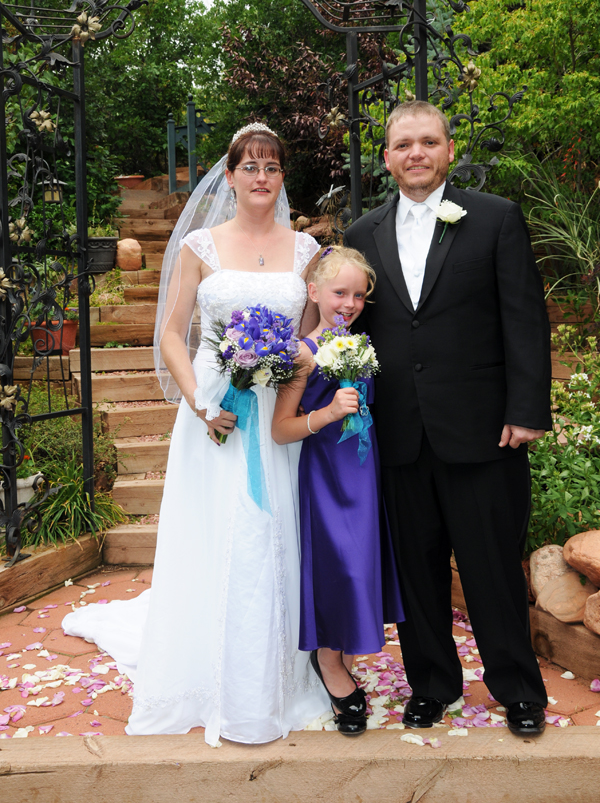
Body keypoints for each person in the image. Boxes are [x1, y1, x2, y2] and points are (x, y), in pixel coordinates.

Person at [63, 123, 330, 746]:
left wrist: (294, 358)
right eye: (250, 166)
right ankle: (211, 675)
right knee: (224, 528)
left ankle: (272, 676)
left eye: (272, 166)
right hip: (216, 411)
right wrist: (201, 400)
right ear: (230, 176)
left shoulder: (304, 253)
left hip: (276, 412)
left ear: (281, 177)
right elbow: (171, 331)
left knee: (271, 533)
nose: (261, 177)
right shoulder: (200, 246)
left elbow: (318, 330)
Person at [344, 100, 552, 737]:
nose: (416, 153)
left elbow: (525, 318)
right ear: (386, 158)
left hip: (484, 430)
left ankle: (518, 688)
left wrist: (526, 409)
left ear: (448, 150)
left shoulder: (494, 219)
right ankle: (431, 685)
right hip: (399, 435)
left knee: (492, 567)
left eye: (427, 142)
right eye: (403, 144)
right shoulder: (362, 234)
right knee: (417, 571)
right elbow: (352, 325)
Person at [272, 246, 404, 736]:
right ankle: (328, 662)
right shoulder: (301, 354)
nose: (348, 303)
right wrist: (327, 414)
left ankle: (343, 653)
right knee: (340, 565)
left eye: (358, 295)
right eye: (338, 292)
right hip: (328, 474)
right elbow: (280, 429)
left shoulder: (359, 343)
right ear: (314, 292)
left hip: (364, 473)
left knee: (361, 564)